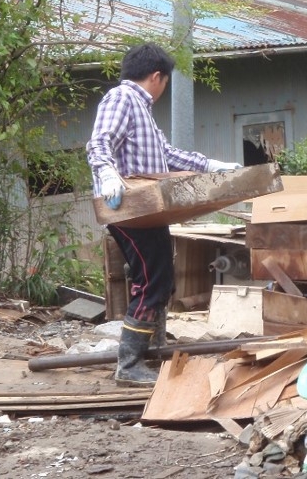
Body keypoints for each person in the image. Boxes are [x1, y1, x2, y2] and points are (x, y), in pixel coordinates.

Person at [86, 42, 241, 387]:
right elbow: (98, 143)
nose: (164, 88)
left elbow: (167, 155)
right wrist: (108, 175)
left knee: (163, 277)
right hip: (128, 208)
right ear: (157, 76)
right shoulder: (122, 99)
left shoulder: (142, 111)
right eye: (165, 82)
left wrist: (211, 166)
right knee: (151, 281)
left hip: (148, 211)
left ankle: (152, 345)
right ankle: (130, 364)